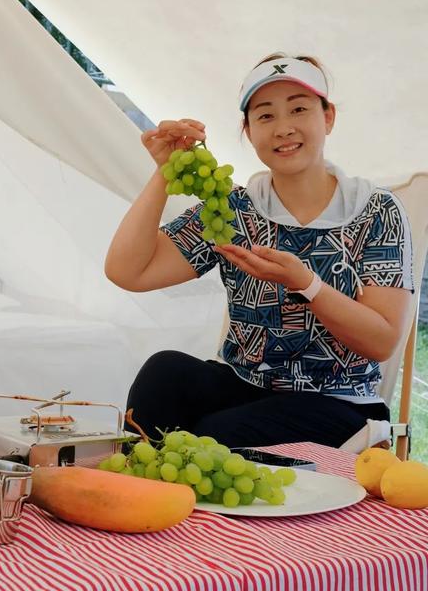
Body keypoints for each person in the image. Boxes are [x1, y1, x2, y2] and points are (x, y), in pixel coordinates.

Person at [105, 53, 414, 448]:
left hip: (339, 403)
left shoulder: (375, 210)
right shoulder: (236, 208)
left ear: (328, 117)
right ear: (248, 132)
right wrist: (164, 173)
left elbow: (383, 340)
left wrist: (305, 283)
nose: (283, 128)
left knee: (216, 437)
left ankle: (181, 490)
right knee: (163, 373)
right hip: (244, 385)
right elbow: (127, 271)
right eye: (265, 116)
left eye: (299, 109)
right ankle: (141, 496)